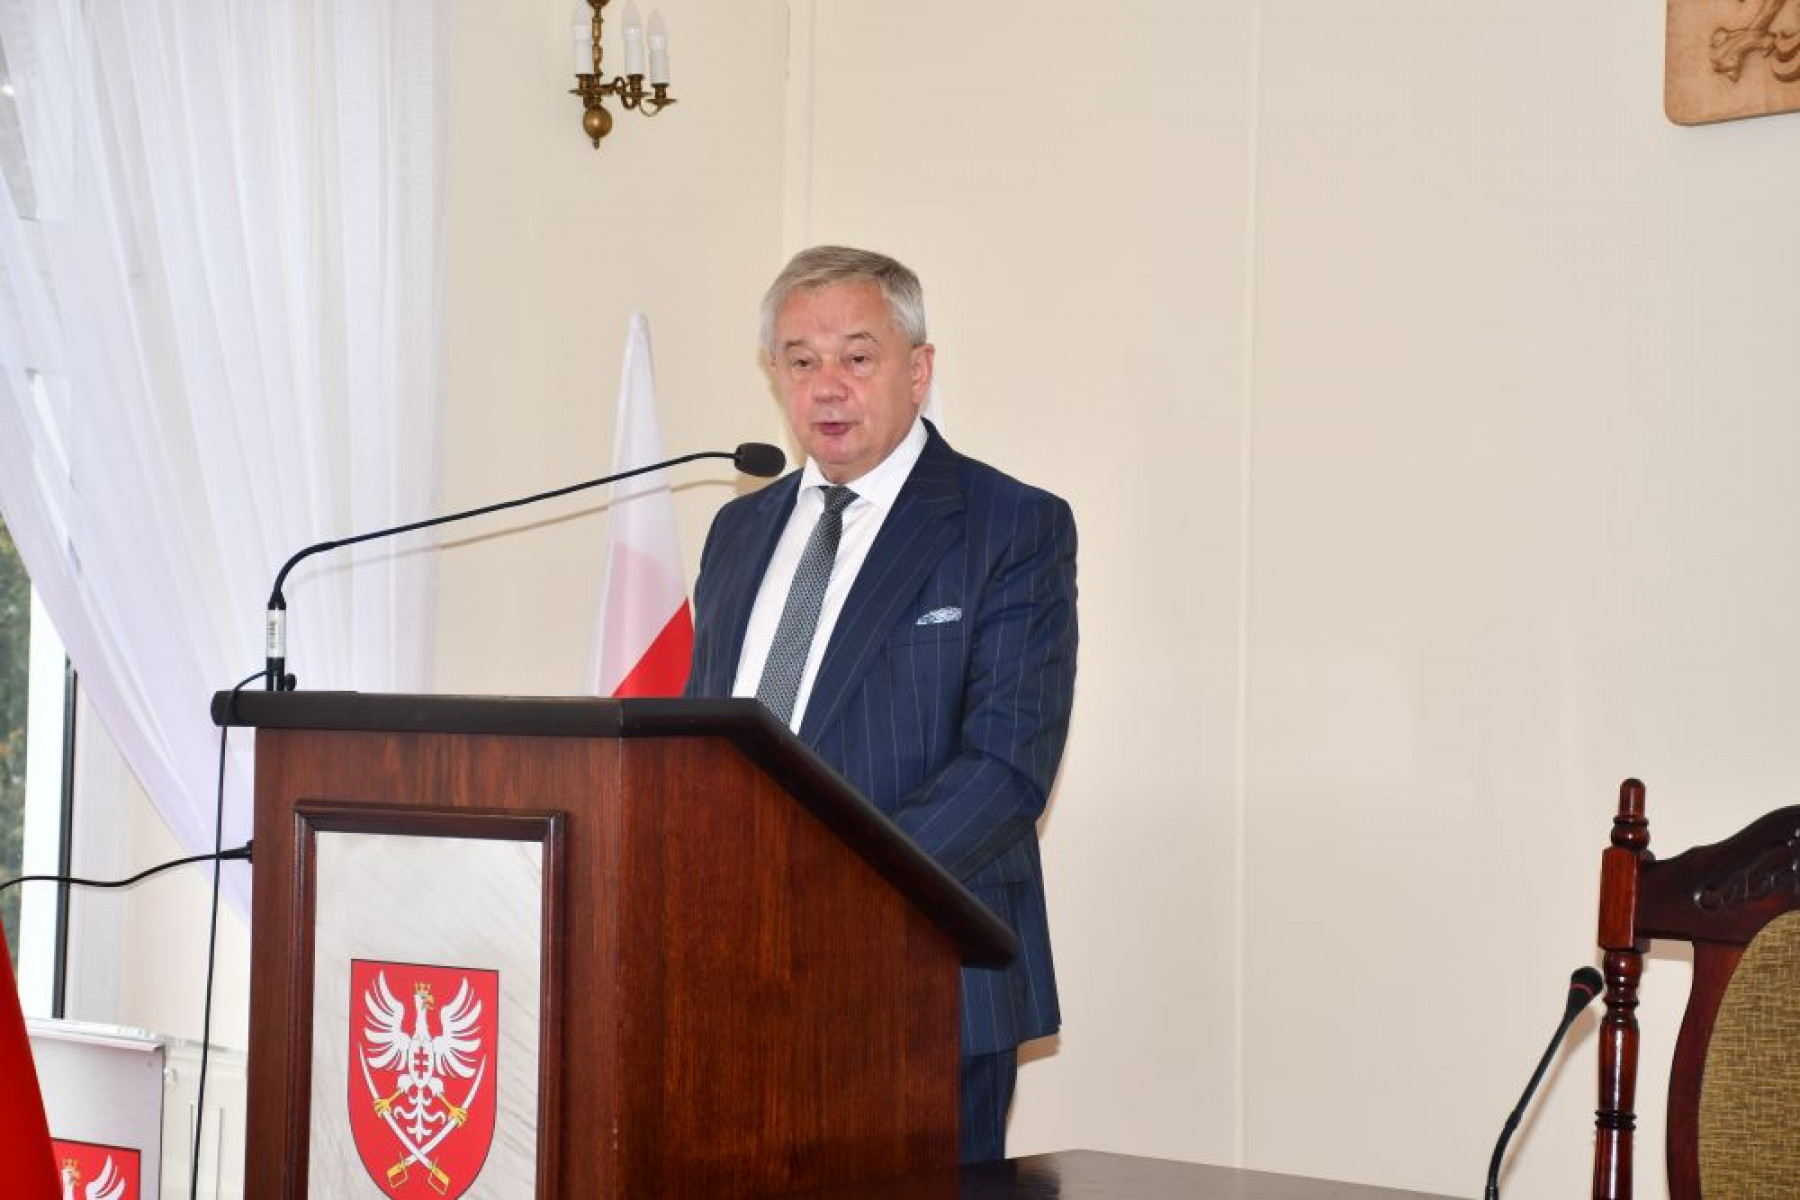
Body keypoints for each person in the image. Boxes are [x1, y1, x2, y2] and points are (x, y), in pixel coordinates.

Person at [685, 245, 1078, 1163]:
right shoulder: (738, 530)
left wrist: (821, 893)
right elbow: (705, 746)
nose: (827, 385)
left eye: (857, 357)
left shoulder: (1010, 525)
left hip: (919, 979)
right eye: (800, 360)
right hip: (729, 978)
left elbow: (1005, 768)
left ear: (919, 370)